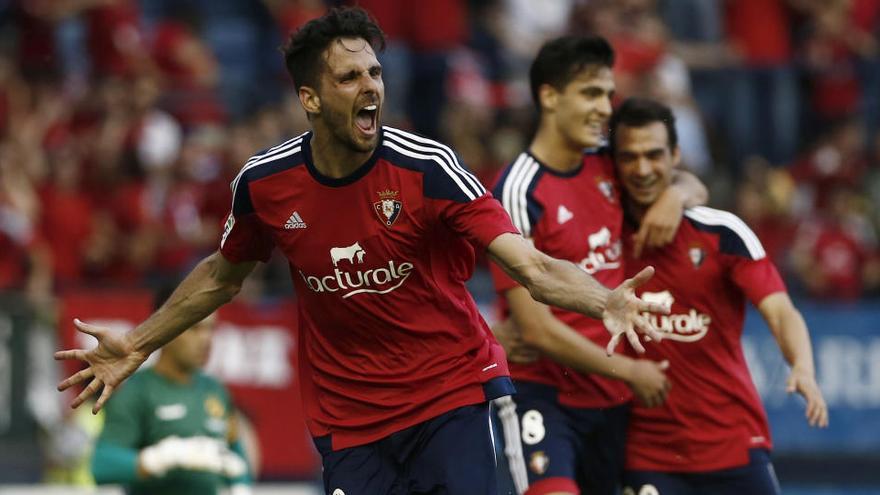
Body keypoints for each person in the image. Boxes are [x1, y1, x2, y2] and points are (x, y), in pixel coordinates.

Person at [55, 7, 667, 495]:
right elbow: (222, 275)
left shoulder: (429, 169)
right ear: (311, 99)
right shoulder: (265, 185)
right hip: (350, 425)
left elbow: (530, 265)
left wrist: (603, 300)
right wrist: (136, 345)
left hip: (453, 398)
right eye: (349, 78)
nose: (370, 87)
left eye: (375, 73)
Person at [489, 35, 707, 495]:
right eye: (590, 93)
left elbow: (685, 179)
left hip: (613, 401)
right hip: (546, 397)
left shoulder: (607, 165)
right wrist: (632, 371)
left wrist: (675, 196)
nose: (606, 108)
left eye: (608, 94)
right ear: (549, 96)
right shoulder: (517, 189)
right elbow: (535, 330)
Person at [608, 97, 828, 495]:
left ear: (675, 155)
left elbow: (780, 311)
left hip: (735, 444)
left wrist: (803, 367)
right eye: (630, 157)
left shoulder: (723, 232)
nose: (642, 169)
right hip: (649, 456)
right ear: (615, 162)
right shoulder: (603, 237)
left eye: (654, 155)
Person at [90, 288, 252, 495]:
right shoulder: (137, 392)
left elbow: (237, 459)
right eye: (195, 328)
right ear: (164, 328)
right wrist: (162, 457)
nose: (206, 339)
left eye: (211, 329)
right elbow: (101, 465)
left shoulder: (215, 390)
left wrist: (241, 485)